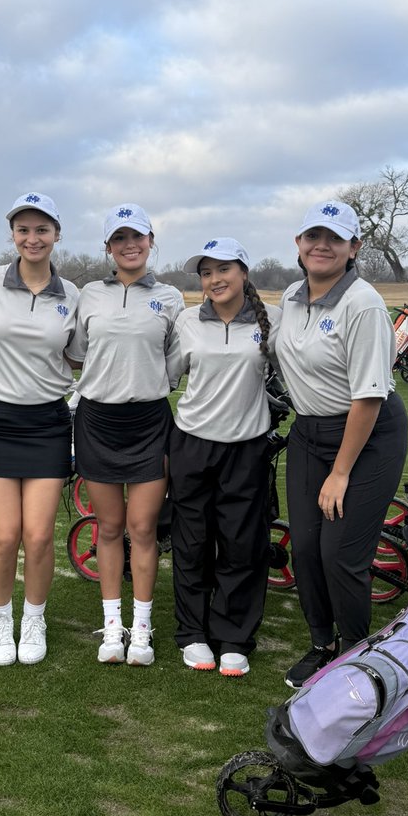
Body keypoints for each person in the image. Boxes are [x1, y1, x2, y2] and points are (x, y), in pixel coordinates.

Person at [272, 201, 408, 689]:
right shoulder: (291, 296)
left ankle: (354, 652)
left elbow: (368, 397)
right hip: (309, 433)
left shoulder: (363, 304)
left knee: (340, 553)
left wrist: (341, 472)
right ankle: (321, 644)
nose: (322, 246)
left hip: (366, 438)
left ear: (354, 248)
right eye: (313, 236)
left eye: (335, 238)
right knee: (306, 547)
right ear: (299, 243)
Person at [67, 204, 184, 666]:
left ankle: (142, 629)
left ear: (151, 240)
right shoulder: (90, 295)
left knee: (143, 528)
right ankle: (113, 627)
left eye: (137, 236)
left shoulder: (171, 297)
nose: (129, 245)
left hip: (149, 424)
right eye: (119, 238)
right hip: (97, 422)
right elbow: (78, 354)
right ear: (108, 247)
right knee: (111, 527)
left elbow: (174, 362)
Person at [0, 193, 79, 666]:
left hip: (47, 424)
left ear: (56, 234)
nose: (32, 238)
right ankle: (0, 618)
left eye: (42, 230)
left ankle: (34, 618)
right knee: (4, 535)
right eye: (23, 230)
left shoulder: (72, 295)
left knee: (38, 536)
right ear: (13, 234)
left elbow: (78, 356)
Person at [167, 237, 272, 678]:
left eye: (224, 269)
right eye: (206, 273)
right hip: (192, 444)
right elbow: (167, 376)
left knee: (241, 545)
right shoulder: (187, 321)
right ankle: (192, 632)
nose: (215, 279)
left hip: (247, 448)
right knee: (192, 543)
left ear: (243, 273)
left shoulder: (271, 320)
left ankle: (233, 636)